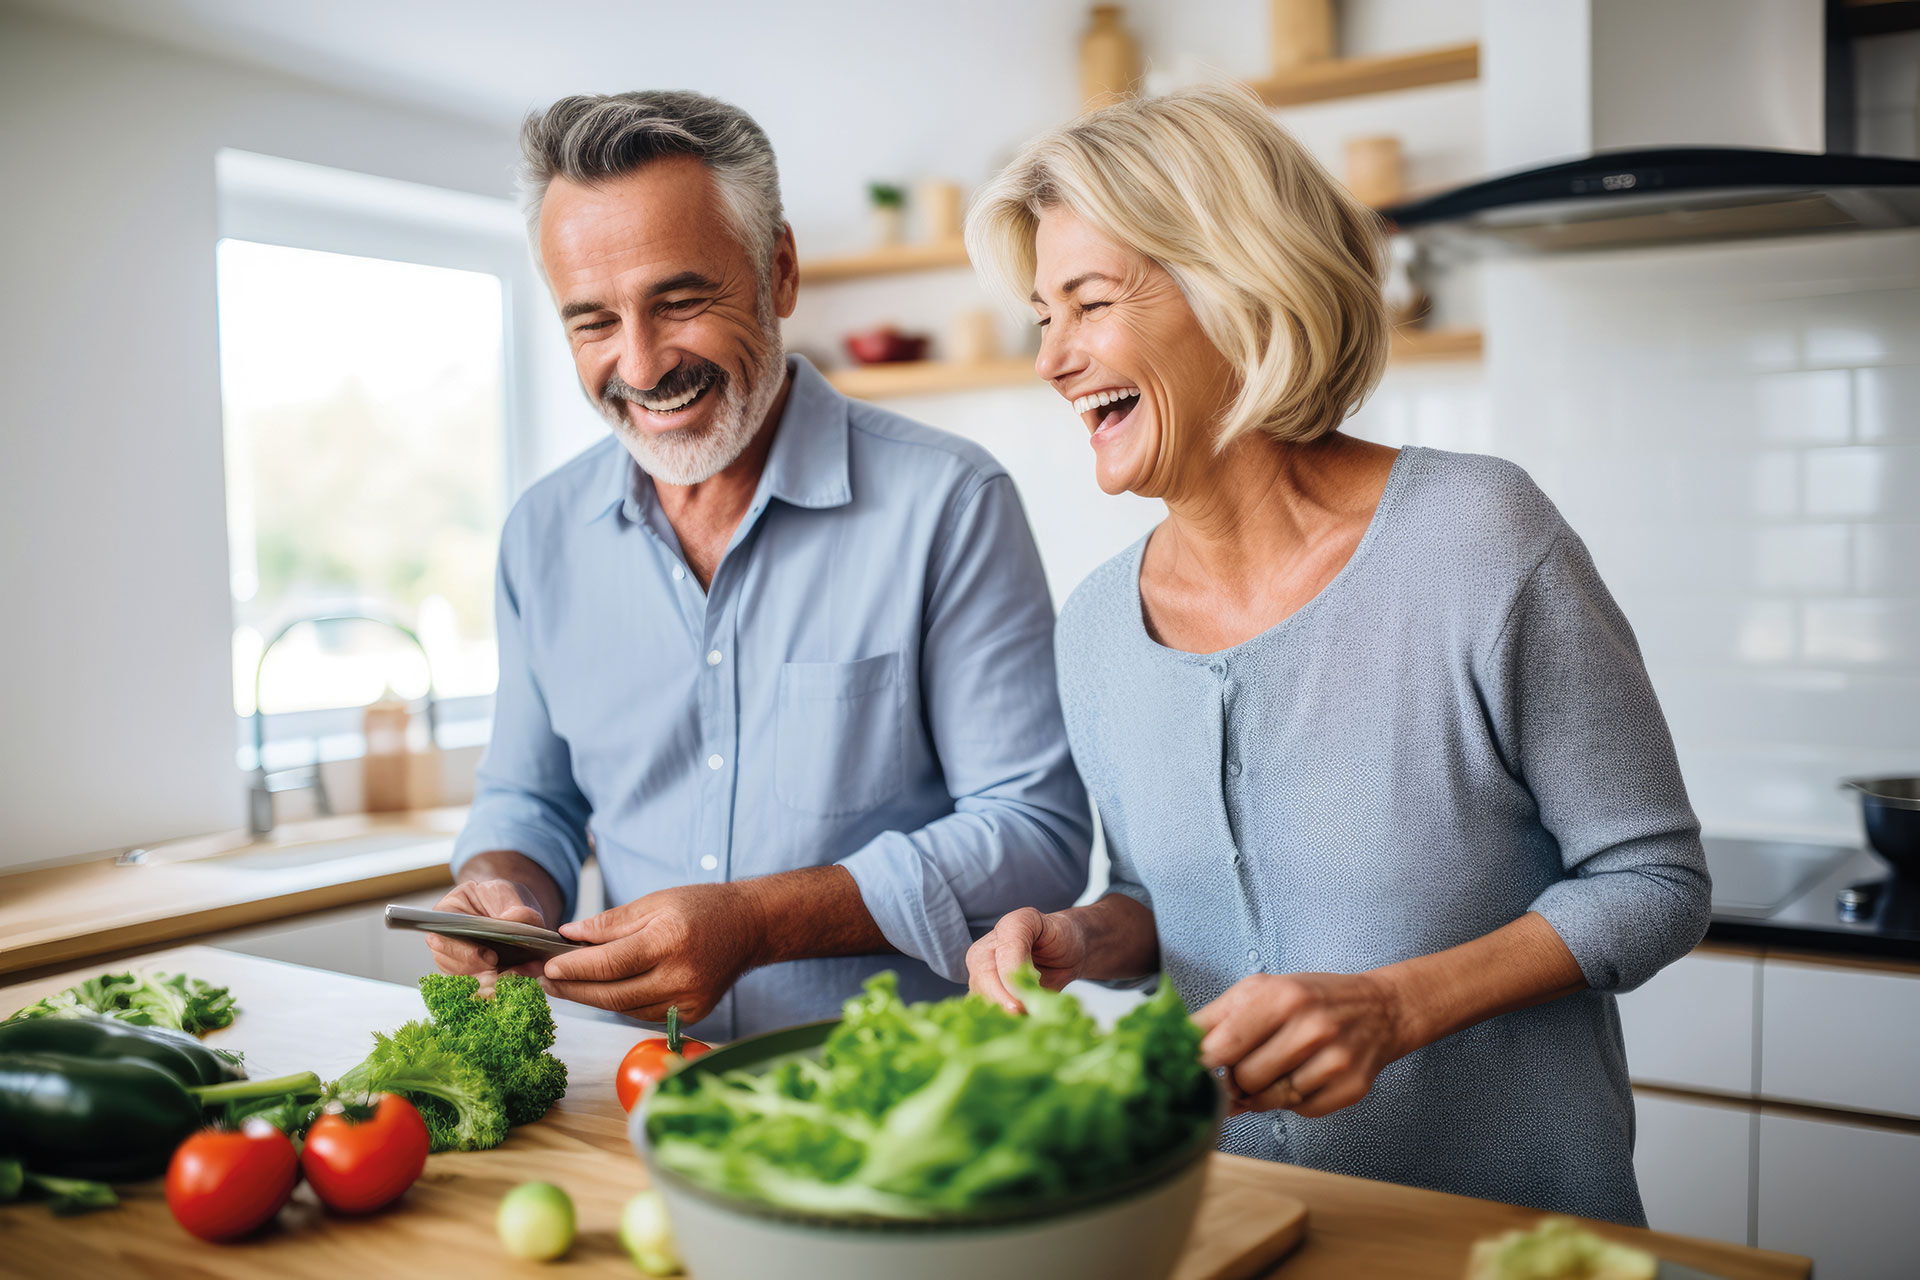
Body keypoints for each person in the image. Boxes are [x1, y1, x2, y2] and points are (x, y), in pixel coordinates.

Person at [961, 83, 1709, 1225]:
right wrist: (1077, 937)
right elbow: (1166, 901)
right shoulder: (1099, 625)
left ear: (1239, 285)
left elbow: (1654, 884)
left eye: (1090, 303)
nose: (1052, 358)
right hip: (1231, 1222)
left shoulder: (1478, 536)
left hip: (1502, 1233)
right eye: (1040, 318)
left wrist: (1396, 1006)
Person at [429, 90, 1091, 1040]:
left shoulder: (949, 502)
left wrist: (760, 922)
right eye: (594, 322)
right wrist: (503, 888)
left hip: (893, 1089)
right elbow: (529, 799)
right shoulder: (541, 534)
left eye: (679, 302)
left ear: (779, 271)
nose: (641, 366)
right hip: (639, 1088)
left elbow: (1036, 834)